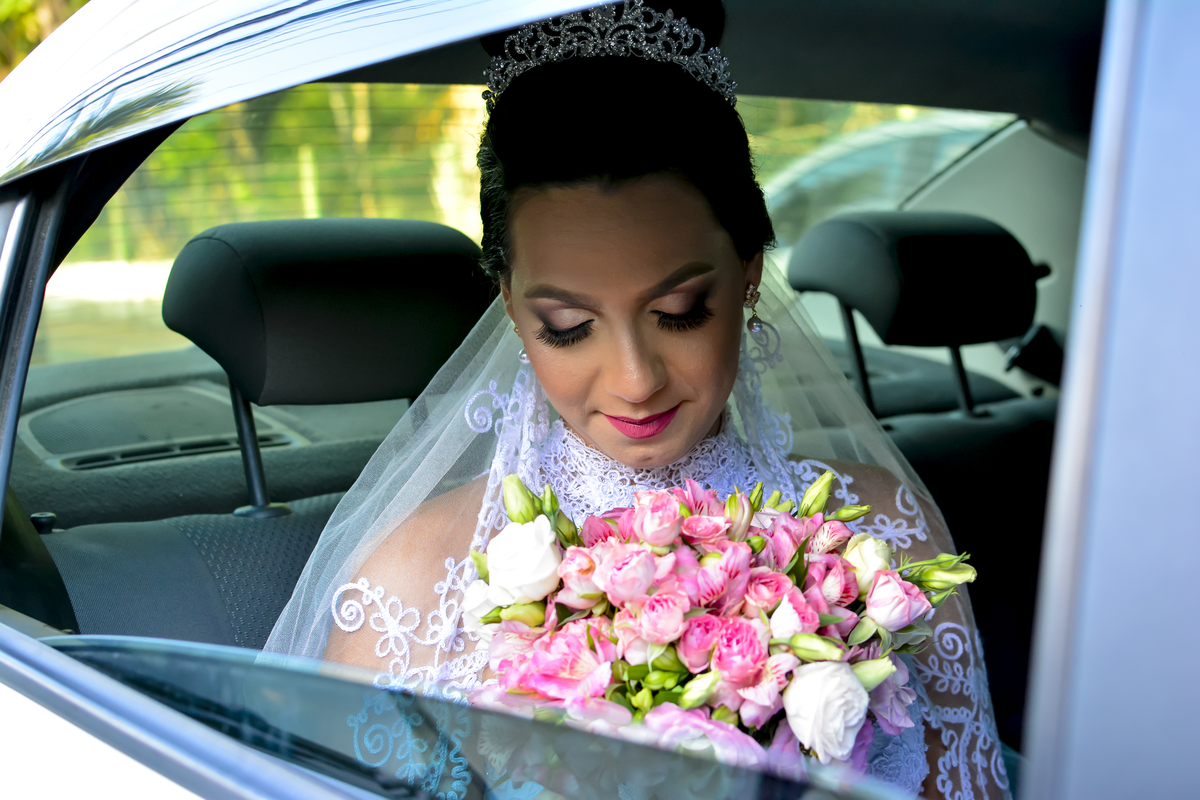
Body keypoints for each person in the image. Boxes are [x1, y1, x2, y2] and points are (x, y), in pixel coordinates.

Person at [264, 2, 1008, 797]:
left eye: (679, 313)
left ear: (750, 273)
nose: (635, 378)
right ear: (512, 307)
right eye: (568, 325)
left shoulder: (881, 539)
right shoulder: (410, 583)